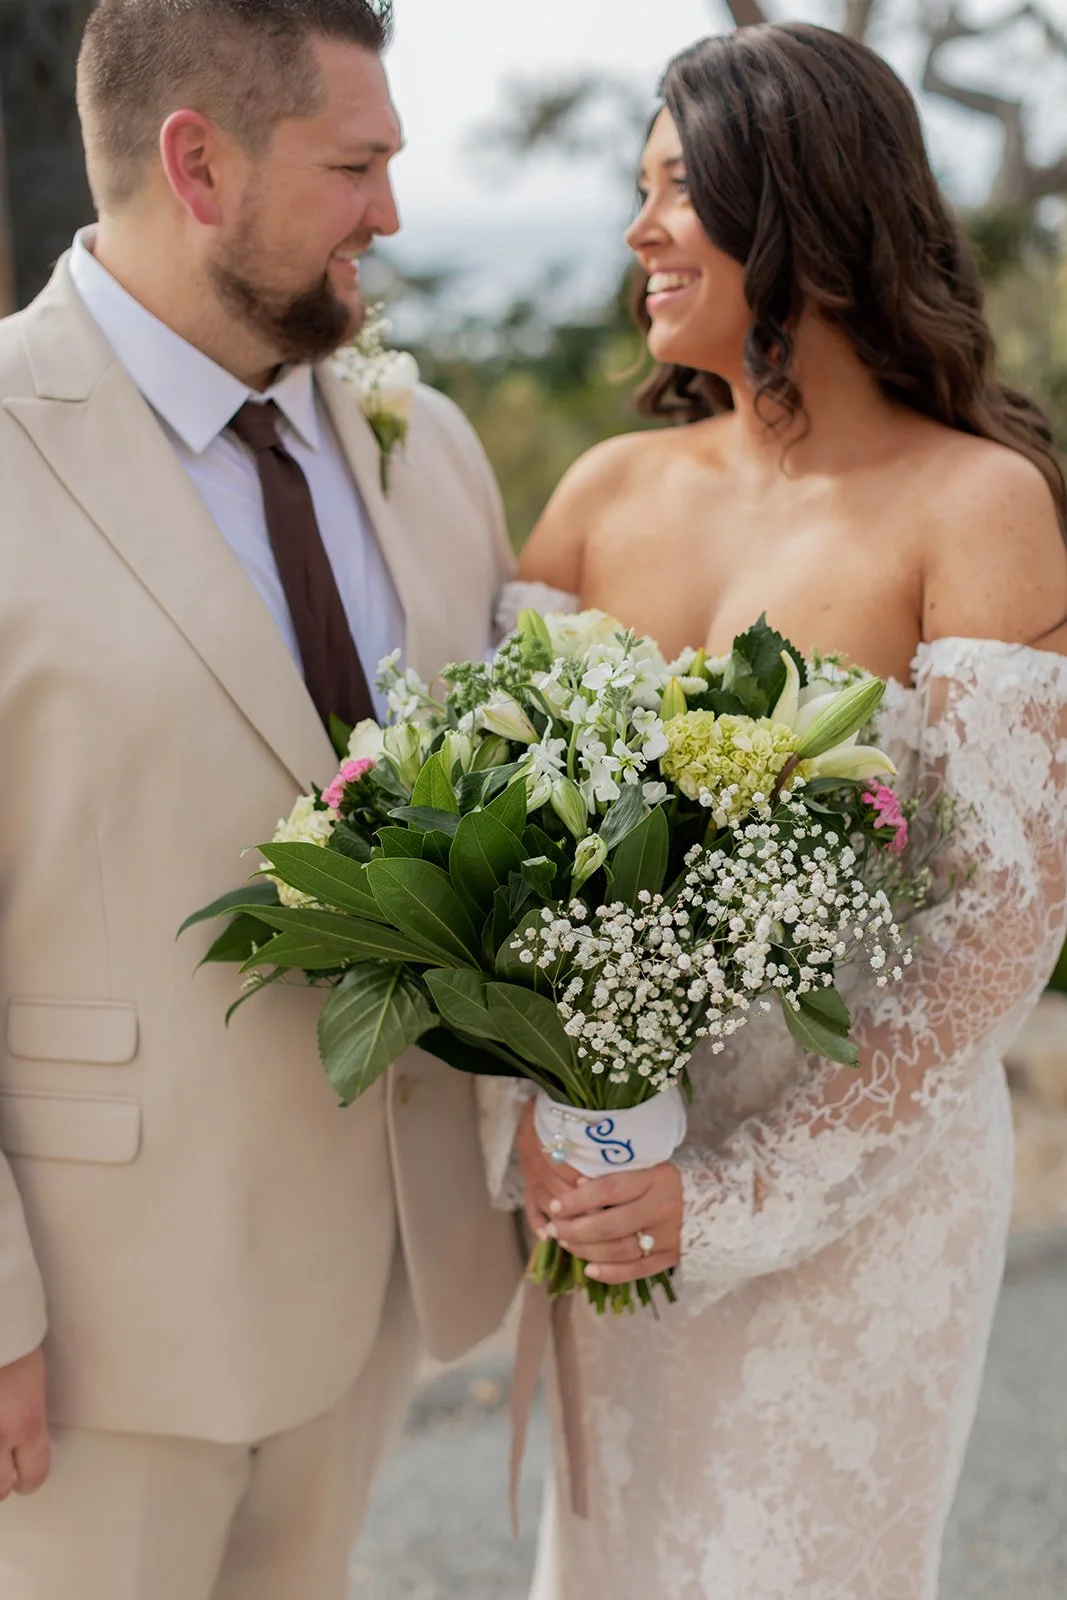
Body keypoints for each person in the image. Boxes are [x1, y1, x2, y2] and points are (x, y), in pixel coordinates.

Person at [485, 22, 1067, 1599]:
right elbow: (481, 849)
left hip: (849, 1214)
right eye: (636, 189)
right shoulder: (601, 492)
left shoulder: (980, 507)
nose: (639, 230)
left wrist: (729, 1203)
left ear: (796, 207)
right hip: (610, 1176)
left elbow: (990, 939)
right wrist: (546, 1126)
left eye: (679, 189)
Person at [0, 2, 520, 1595]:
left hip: (375, 1291)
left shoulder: (417, 438)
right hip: (97, 1346)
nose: (391, 214)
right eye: (354, 165)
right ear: (197, 163)